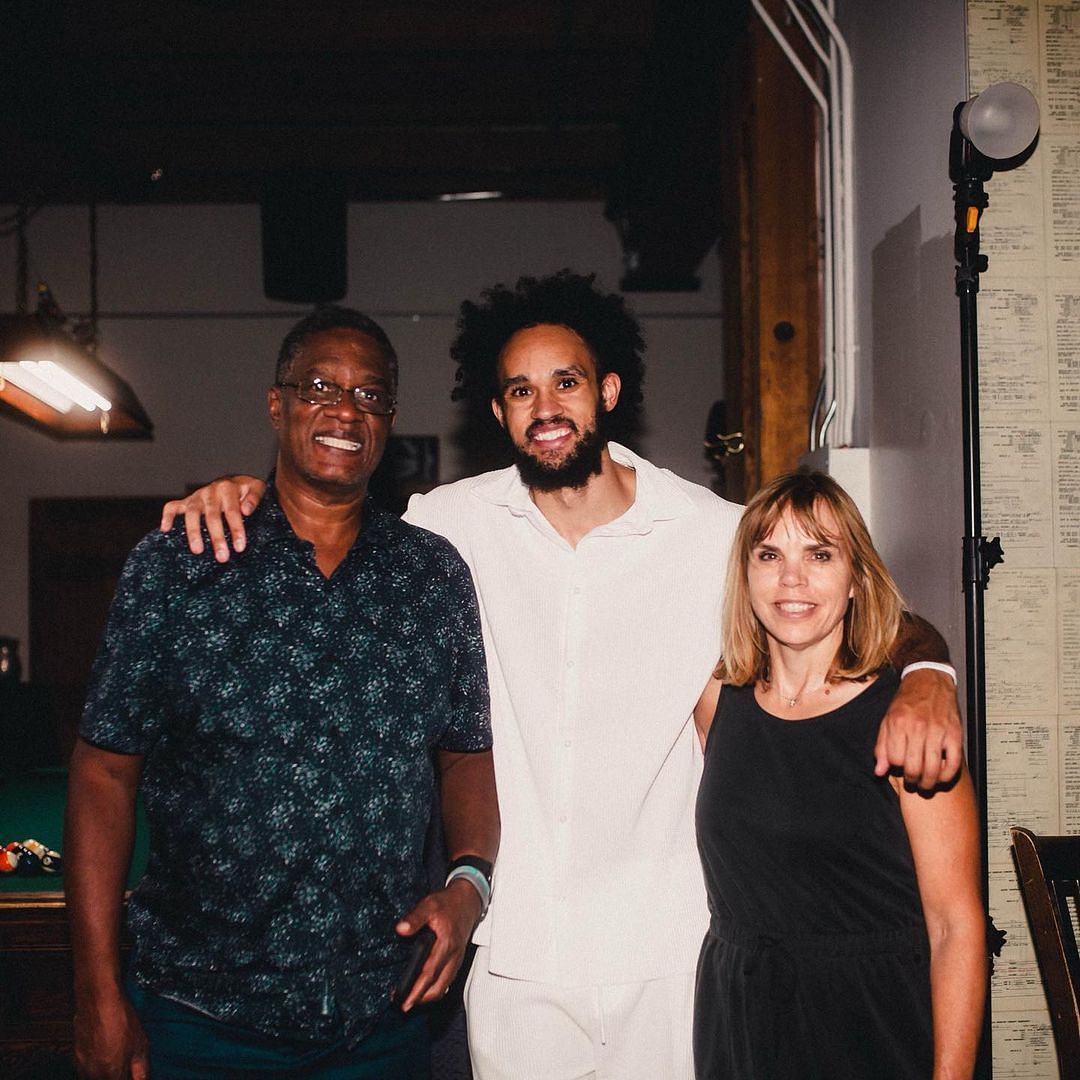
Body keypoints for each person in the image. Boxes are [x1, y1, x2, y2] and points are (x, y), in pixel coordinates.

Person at [160, 271, 964, 1080]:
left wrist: (930, 670)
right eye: (520, 389)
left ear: (608, 390)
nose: (545, 407)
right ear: (498, 411)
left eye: (566, 382)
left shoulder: (713, 533)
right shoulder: (448, 526)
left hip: (675, 957)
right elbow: (327, 515)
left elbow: (851, 601)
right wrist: (247, 496)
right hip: (520, 963)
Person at [66, 307, 499, 1080]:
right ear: (278, 404)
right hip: (199, 1022)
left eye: (370, 395)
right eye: (321, 386)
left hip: (381, 1022)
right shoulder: (179, 565)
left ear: (389, 421)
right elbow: (103, 774)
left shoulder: (433, 578)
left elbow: (465, 755)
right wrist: (96, 989)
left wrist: (468, 883)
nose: (345, 410)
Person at [692, 470, 985, 1080]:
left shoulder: (908, 719)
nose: (791, 578)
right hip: (739, 1021)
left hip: (872, 1024)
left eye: (819, 554)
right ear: (745, 577)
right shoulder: (718, 699)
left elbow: (956, 926)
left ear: (855, 579)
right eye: (769, 554)